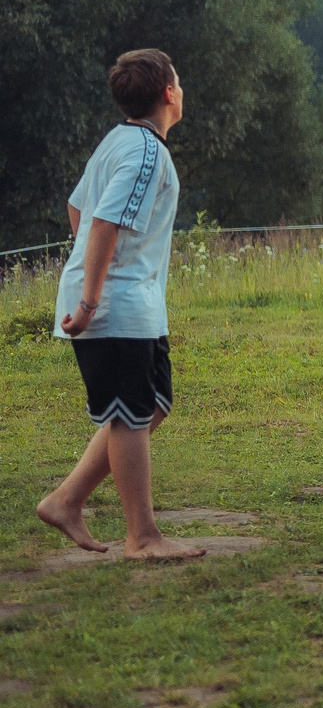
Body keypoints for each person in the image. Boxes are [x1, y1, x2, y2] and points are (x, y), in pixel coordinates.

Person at [35, 50, 203, 561]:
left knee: (149, 407)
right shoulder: (147, 153)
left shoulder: (119, 141)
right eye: (179, 80)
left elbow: (77, 207)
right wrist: (91, 298)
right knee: (131, 415)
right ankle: (143, 537)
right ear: (169, 94)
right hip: (114, 306)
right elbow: (103, 221)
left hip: (133, 303)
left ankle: (66, 501)